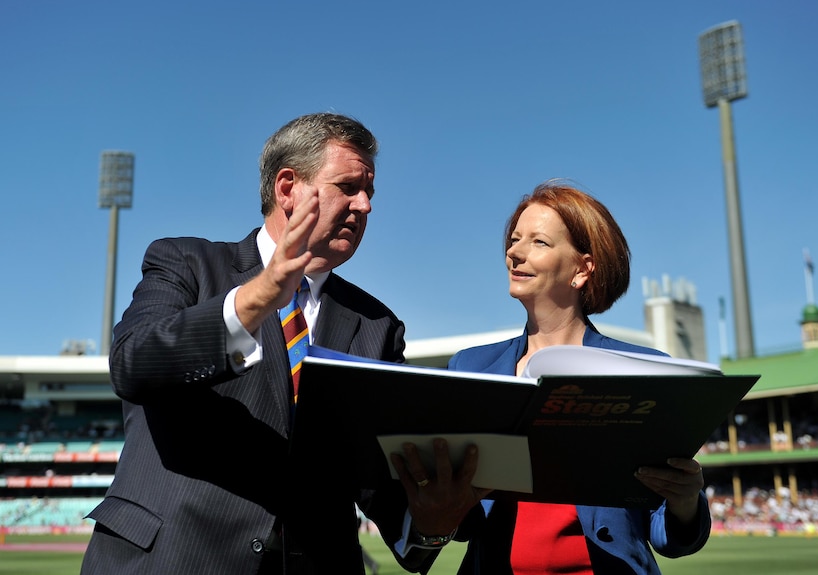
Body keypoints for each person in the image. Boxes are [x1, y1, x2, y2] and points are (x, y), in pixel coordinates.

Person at [80, 112, 483, 575]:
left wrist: (430, 520)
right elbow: (133, 365)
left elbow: (379, 484)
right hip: (171, 559)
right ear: (288, 187)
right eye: (349, 186)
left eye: (370, 191)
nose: (366, 205)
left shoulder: (378, 327)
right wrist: (261, 294)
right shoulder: (186, 263)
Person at [447, 180, 712, 574]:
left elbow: (665, 531)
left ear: (583, 269)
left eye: (538, 242)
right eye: (515, 239)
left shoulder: (644, 371)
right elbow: (460, 523)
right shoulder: (470, 367)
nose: (514, 252)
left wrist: (685, 501)